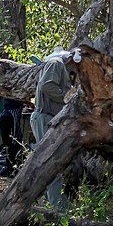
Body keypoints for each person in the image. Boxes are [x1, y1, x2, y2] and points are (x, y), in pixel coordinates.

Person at [30, 49, 72, 212]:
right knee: (51, 162)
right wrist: (65, 97)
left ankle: (48, 205)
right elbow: (47, 85)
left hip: (48, 118)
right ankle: (56, 209)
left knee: (48, 163)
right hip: (45, 118)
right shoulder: (56, 64)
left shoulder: (60, 66)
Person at [0, 98, 24, 170]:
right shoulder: (15, 97)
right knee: (15, 141)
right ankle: (13, 167)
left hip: (4, 115)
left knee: (7, 144)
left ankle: (10, 167)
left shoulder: (5, 92)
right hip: (11, 117)